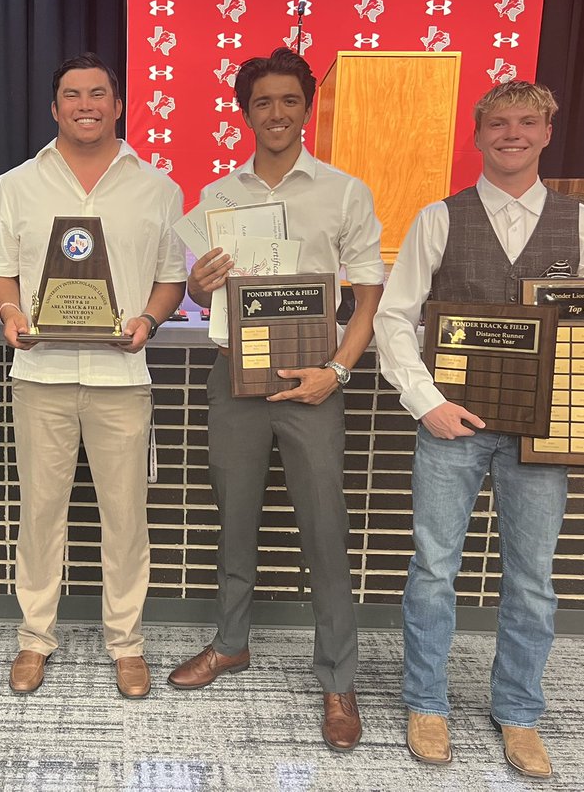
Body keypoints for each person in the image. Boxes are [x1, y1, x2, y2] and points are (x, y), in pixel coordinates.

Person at [375, 81, 584, 778]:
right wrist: (426, 401)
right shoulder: (437, 219)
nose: (512, 133)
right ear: (477, 136)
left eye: (526, 122)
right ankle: (425, 703)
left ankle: (520, 713)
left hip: (544, 435)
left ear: (546, 132)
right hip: (453, 428)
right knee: (434, 570)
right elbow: (392, 319)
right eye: (498, 123)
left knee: (532, 580)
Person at [166, 48, 383, 751]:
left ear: (307, 107)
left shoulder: (344, 191)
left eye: (290, 100)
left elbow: (370, 294)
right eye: (263, 103)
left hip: (313, 384)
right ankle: (231, 643)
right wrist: (199, 284)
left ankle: (337, 678)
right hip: (236, 380)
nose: (278, 113)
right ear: (245, 112)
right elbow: (201, 295)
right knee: (235, 518)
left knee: (325, 530)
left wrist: (340, 372)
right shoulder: (219, 197)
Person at [0, 53, 186, 699]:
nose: (86, 104)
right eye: (72, 94)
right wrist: (11, 312)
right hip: (40, 373)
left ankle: (126, 644)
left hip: (122, 378)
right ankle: (35, 639)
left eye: (99, 93)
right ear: (54, 106)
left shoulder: (159, 187)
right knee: (41, 515)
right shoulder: (18, 184)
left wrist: (149, 322)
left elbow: (171, 280)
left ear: (119, 104)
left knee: (125, 518)